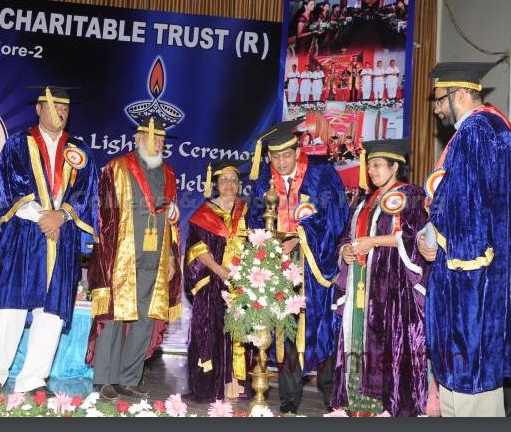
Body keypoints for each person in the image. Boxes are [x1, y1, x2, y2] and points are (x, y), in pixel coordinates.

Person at [0, 86, 99, 396]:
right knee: (10, 305)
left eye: (65, 108)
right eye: (54, 105)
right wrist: (43, 217)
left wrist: (61, 216)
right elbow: (10, 186)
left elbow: (86, 191)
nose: (60, 112)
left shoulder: (80, 150)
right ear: (38, 109)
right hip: (23, 233)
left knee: (52, 312)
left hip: (63, 236)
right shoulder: (18, 144)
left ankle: (33, 378)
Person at [417, 62, 511, 416]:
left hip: (469, 282)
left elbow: (466, 210)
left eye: (439, 99)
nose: (436, 108)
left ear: (459, 94)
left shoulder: (475, 132)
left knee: (471, 386)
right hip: (486, 274)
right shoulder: (494, 126)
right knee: (463, 387)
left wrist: (436, 237)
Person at [248, 121, 349, 414]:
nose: (281, 162)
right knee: (286, 328)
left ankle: (332, 394)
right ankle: (289, 398)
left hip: (315, 264)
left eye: (286, 155)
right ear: (268, 157)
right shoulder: (263, 182)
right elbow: (254, 219)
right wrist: (269, 242)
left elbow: (337, 216)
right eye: (275, 157)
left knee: (323, 327)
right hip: (279, 264)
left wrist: (300, 237)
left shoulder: (321, 175)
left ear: (297, 152)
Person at [86, 114, 183, 401]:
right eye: (152, 137)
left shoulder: (169, 173)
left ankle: (129, 378)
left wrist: (172, 256)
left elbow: (173, 220)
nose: (158, 142)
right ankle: (105, 378)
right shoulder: (117, 167)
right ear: (138, 139)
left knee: (145, 318)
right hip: (123, 254)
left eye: (162, 138)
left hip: (157, 256)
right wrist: (106, 254)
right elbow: (103, 216)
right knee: (115, 315)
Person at [330, 139, 429, 416]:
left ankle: (390, 404)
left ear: (394, 166)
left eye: (377, 165)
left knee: (388, 338)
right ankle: (358, 402)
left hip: (392, 284)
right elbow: (347, 236)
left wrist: (373, 241)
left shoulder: (411, 195)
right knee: (358, 334)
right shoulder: (364, 200)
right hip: (360, 280)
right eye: (370, 166)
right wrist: (346, 250)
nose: (371, 171)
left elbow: (415, 235)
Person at [184, 160, 256, 403]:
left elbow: (259, 243)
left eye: (233, 180)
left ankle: (236, 386)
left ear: (239, 184)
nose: (228, 184)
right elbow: (197, 249)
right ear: (215, 184)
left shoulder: (248, 211)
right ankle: (209, 387)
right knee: (211, 332)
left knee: (240, 333)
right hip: (212, 283)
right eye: (223, 180)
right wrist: (219, 270)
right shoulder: (203, 214)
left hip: (243, 283)